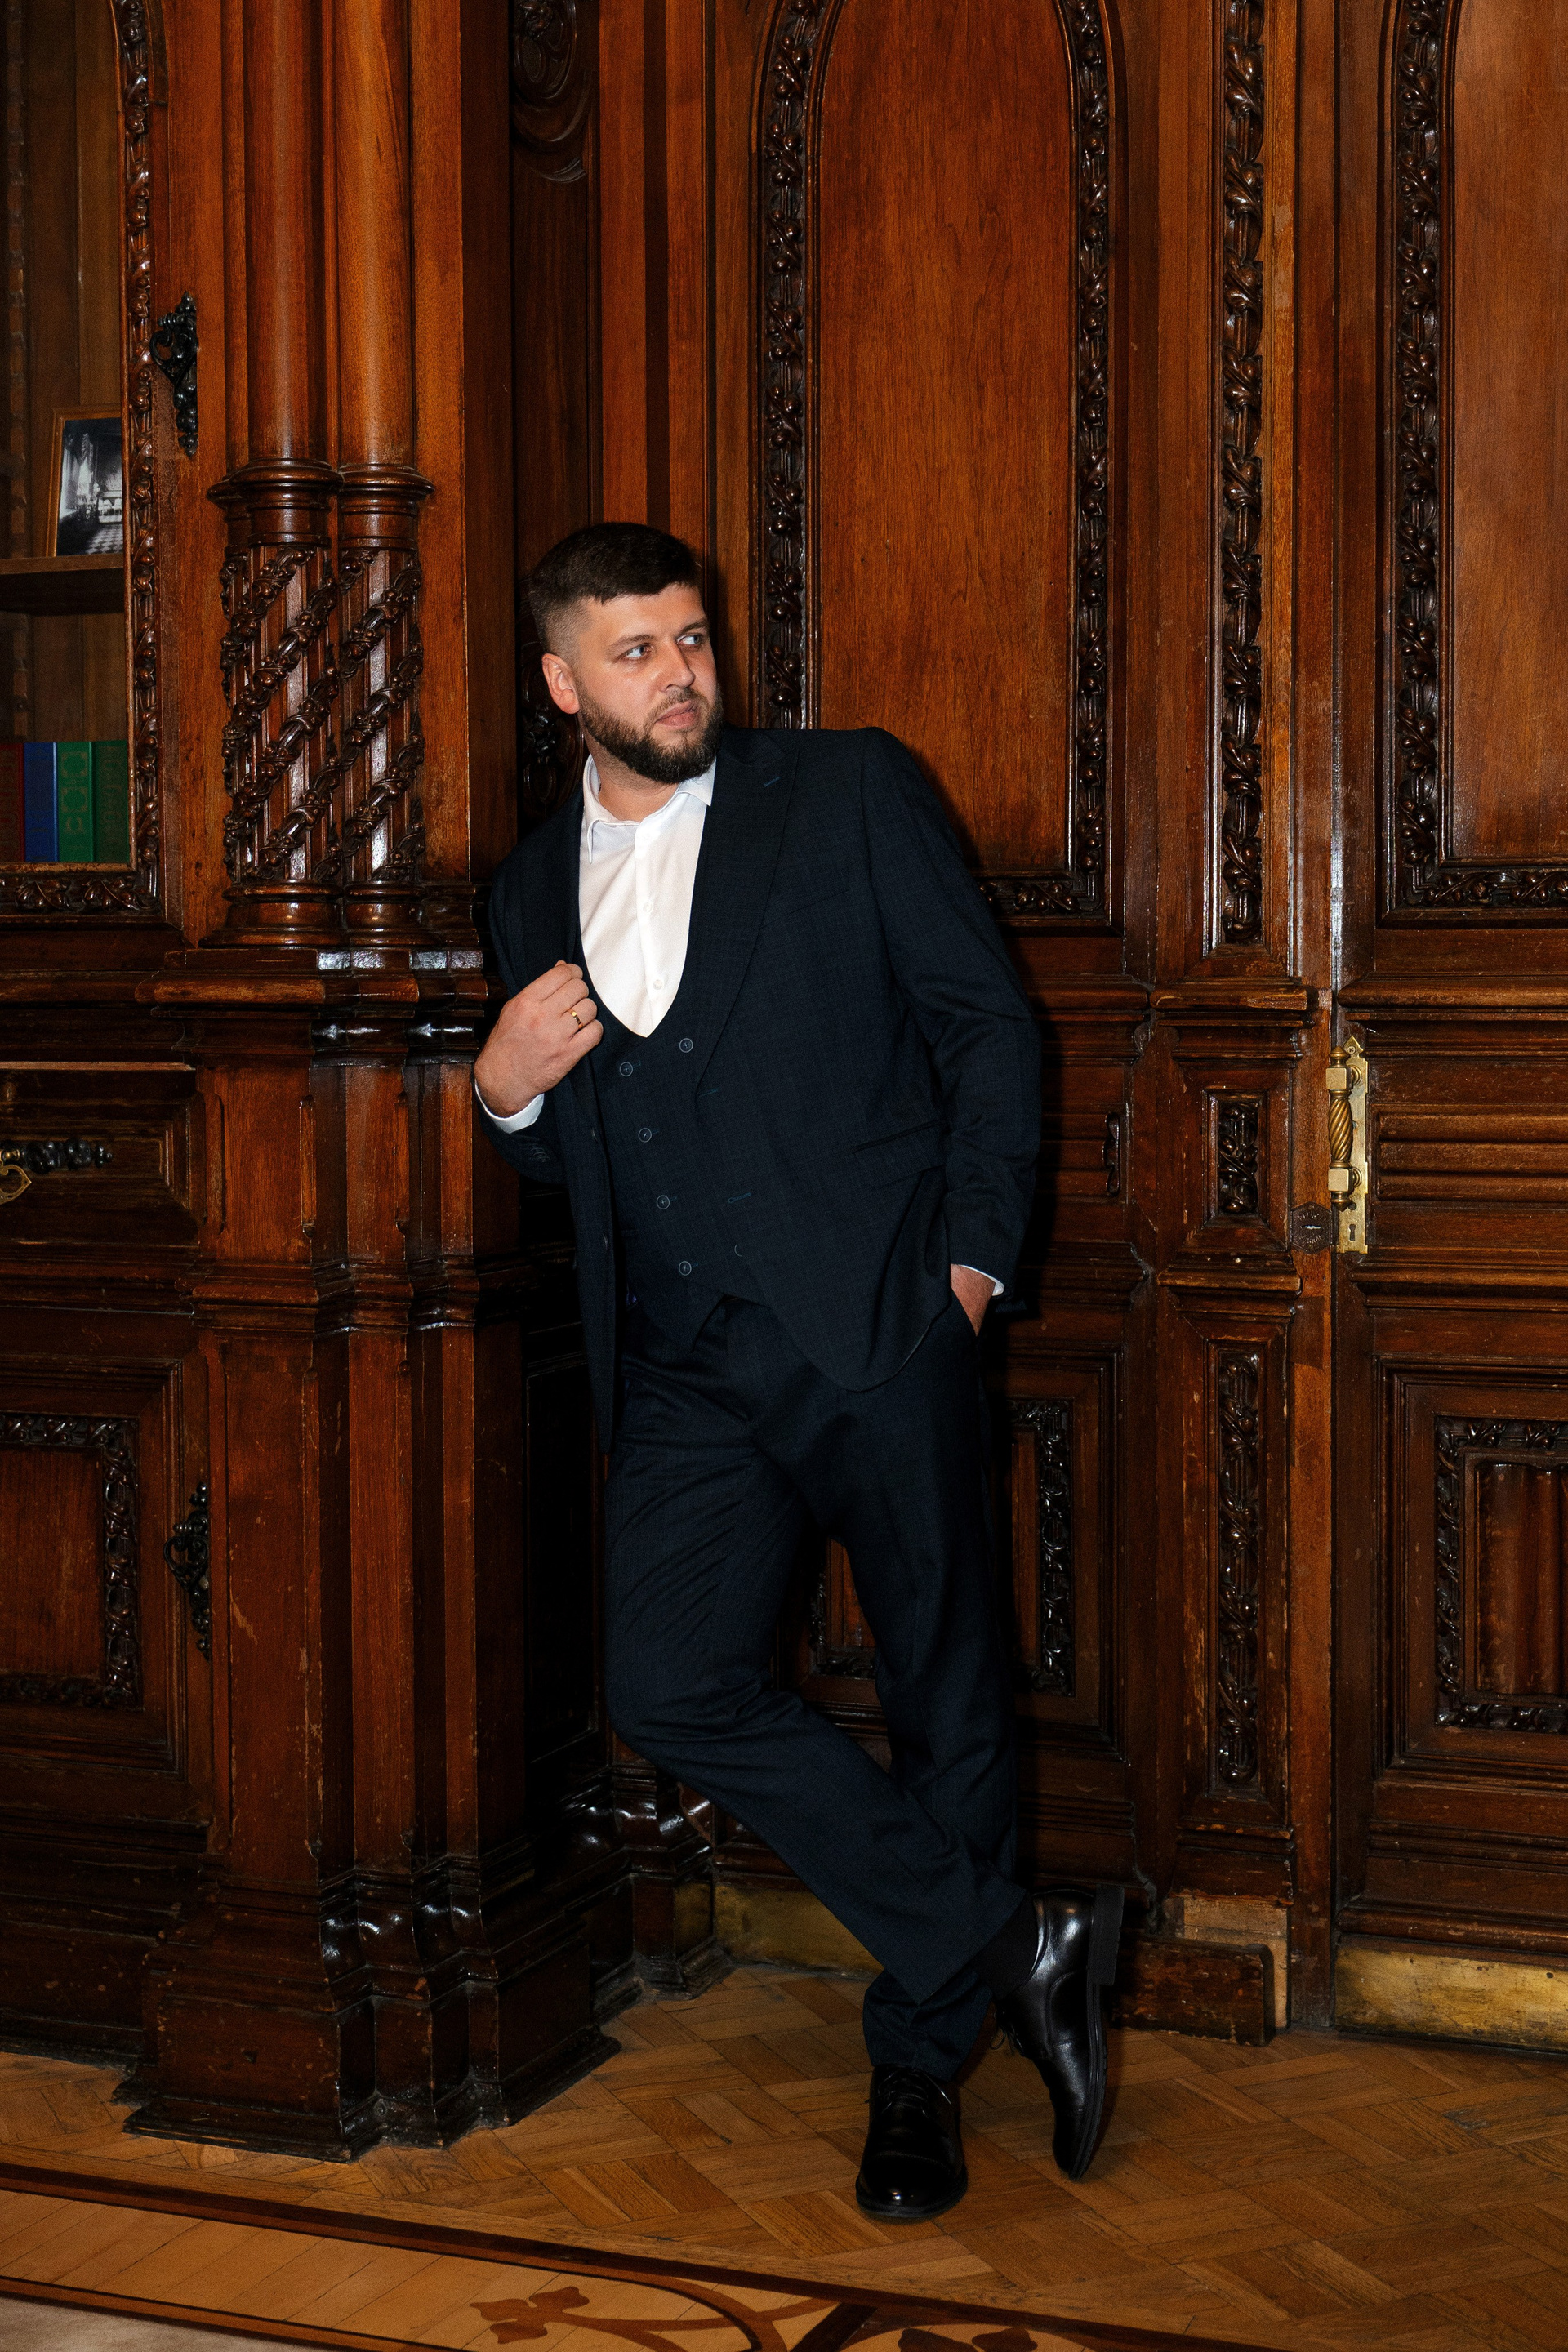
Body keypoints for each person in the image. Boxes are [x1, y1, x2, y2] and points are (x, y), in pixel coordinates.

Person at [475, 522, 1124, 2217]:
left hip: (883, 1325)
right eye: (635, 651)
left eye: (691, 638)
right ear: (562, 683)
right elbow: (575, 1152)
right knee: (667, 1682)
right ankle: (1013, 1942)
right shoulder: (529, 887)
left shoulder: (846, 792)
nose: (679, 673)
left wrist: (970, 1267)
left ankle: (919, 2067)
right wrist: (503, 1089)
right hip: (682, 1364)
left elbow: (989, 1027)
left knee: (943, 1694)